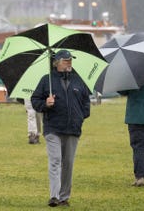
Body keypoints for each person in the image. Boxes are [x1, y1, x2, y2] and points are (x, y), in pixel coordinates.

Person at [31, 49, 91, 207]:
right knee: (55, 160)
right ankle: (54, 196)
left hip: (73, 128)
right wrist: (46, 104)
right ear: (56, 63)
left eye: (70, 60)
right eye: (65, 61)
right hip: (53, 128)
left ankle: (64, 197)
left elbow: (86, 102)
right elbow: (35, 100)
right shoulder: (46, 80)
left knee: (68, 163)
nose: (69, 63)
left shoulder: (79, 80)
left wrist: (81, 116)